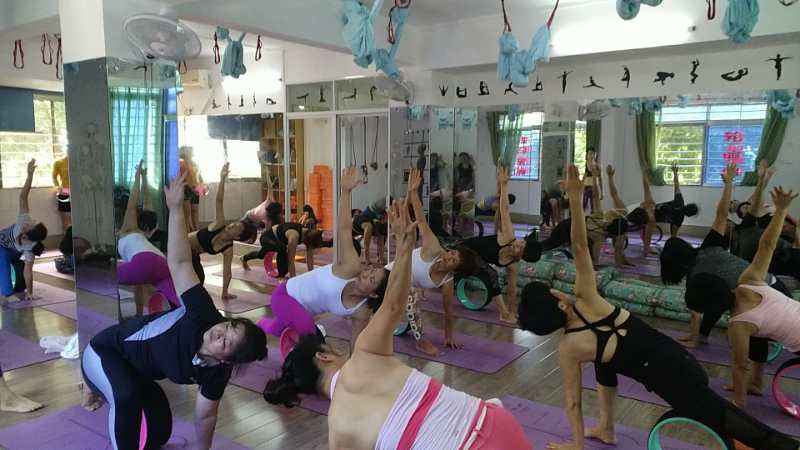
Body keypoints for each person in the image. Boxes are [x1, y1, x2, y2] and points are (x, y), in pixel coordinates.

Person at [517, 165, 798, 450]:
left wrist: (576, 445)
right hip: (672, 360)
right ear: (560, 301)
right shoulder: (587, 298)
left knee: (722, 417)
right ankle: (606, 428)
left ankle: (785, 447)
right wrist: (576, 201)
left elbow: (573, 401)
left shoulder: (569, 349)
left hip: (675, 375)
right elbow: (579, 247)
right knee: (604, 362)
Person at [263, 198, 532, 450]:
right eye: (331, 348)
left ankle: (267, 325)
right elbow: (393, 305)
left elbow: (394, 303)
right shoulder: (366, 354)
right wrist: (404, 246)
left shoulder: (337, 431)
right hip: (496, 421)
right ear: (323, 356)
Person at [81, 171, 267, 450]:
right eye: (228, 326)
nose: (218, 333)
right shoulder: (202, 314)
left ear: (228, 360)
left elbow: (206, 416)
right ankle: (93, 388)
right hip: (104, 352)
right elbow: (180, 262)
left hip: (137, 372)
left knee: (159, 434)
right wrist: (176, 208)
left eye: (226, 342)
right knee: (126, 398)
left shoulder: (216, 374)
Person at [660, 163, 790, 349]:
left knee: (722, 302)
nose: (728, 222)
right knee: (718, 297)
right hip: (777, 287)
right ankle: (703, 336)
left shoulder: (696, 277)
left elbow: (696, 313)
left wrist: (693, 340)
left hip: (769, 302)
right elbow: (721, 215)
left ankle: (703, 338)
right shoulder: (709, 247)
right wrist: (729, 182)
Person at [256, 167, 388, 349]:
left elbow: (356, 341)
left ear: (373, 293)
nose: (365, 274)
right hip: (285, 295)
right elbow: (344, 230)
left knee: (279, 327)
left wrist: (350, 366)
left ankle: (260, 325)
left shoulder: (362, 311)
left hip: (302, 311)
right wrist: (345, 192)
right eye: (370, 271)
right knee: (310, 332)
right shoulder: (351, 268)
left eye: (371, 279)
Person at [720, 185, 800, 408]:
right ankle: (756, 383)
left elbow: (739, 365)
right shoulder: (748, 279)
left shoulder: (738, 324)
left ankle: (750, 387)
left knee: (755, 332)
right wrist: (782, 210)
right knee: (758, 332)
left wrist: (738, 401)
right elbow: (767, 246)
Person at [388, 168, 479, 356]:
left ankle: (420, 341)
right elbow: (421, 221)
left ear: (456, 270)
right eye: (452, 252)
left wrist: (449, 336)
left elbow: (448, 310)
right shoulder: (434, 248)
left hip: (403, 289)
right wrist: (413, 193)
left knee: (412, 293)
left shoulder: (447, 281)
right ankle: (421, 341)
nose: (448, 256)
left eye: (453, 260)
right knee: (411, 293)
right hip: (390, 276)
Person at [461, 167, 541, 324]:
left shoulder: (513, 265)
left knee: (490, 274)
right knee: (491, 274)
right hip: (465, 249)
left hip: (476, 263)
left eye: (519, 247)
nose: (516, 243)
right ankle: (503, 314)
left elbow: (512, 290)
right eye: (521, 241)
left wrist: (513, 310)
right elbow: (504, 209)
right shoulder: (508, 237)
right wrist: (504, 185)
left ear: (521, 256)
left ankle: (506, 313)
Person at [187, 162, 257, 300]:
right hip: (181, 245)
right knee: (197, 277)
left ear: (237, 237)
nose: (231, 226)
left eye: (236, 228)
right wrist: (222, 179)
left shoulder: (228, 248)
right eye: (234, 224)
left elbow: (227, 272)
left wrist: (224, 292)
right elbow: (219, 200)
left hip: (192, 256)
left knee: (199, 279)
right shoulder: (219, 224)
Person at [117, 162, 180, 315]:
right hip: (163, 264)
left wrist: (137, 177)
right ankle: (175, 313)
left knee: (104, 280)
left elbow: (132, 204)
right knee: (181, 302)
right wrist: (144, 177)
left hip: (142, 262)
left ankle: (123, 317)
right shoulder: (147, 231)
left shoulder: (129, 229)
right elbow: (147, 200)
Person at [538, 164, 630, 266]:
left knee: (549, 244)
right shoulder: (599, 237)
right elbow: (596, 260)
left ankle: (531, 247)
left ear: (611, 221)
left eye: (615, 215)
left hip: (567, 228)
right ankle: (531, 247)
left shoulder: (599, 217)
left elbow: (595, 195)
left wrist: (595, 176)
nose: (613, 212)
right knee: (549, 245)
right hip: (567, 229)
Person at [0, 159, 47, 303]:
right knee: (2, 257)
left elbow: (28, 272)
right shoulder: (24, 220)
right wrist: (30, 175)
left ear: (27, 236)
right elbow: (23, 197)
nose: (27, 225)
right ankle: (7, 294)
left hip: (14, 252)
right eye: (30, 224)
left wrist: (30, 293)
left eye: (28, 227)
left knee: (17, 266)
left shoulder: (30, 248)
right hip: (2, 247)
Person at [627, 162, 699, 255]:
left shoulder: (679, 201)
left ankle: (647, 248)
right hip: (646, 216)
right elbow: (673, 237)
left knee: (649, 217)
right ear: (689, 215)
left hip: (644, 214)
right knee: (650, 221)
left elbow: (676, 185)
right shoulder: (679, 219)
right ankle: (646, 249)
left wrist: (675, 172)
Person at [240, 222, 328, 278]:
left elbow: (310, 259)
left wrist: (312, 276)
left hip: (278, 241)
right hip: (267, 238)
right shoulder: (294, 236)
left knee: (261, 254)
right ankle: (281, 276)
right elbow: (290, 260)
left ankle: (244, 258)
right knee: (281, 249)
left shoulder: (311, 235)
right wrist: (294, 280)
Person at [353, 197, 388, 266]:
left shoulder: (382, 226)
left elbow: (381, 244)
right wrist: (367, 260)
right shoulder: (368, 226)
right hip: (355, 224)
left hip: (369, 220)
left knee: (381, 237)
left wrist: (381, 259)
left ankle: (379, 258)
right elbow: (366, 245)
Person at [179, 146, 203, 233]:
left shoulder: (194, 163)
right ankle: (189, 232)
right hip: (186, 189)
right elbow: (184, 177)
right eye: (189, 150)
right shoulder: (181, 163)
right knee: (187, 213)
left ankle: (196, 231)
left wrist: (201, 189)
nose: (192, 151)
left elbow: (199, 176)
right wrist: (192, 188)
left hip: (196, 188)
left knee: (195, 211)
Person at [52, 154, 71, 230]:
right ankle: (66, 235)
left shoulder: (80, 161)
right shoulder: (59, 162)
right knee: (66, 219)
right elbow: (54, 177)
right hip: (65, 193)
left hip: (78, 193)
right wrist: (58, 187)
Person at [581, 148, 603, 213]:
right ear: (587, 155)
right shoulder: (583, 166)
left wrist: (602, 192)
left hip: (594, 188)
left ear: (595, 155)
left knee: (594, 207)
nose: (591, 156)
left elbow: (600, 179)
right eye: (590, 154)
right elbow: (582, 179)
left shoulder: (598, 166)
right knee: (583, 207)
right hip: (585, 188)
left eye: (593, 154)